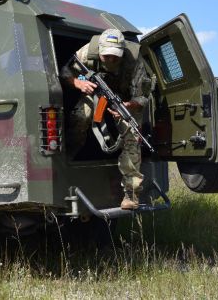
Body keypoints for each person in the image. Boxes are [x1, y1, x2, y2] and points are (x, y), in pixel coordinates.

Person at [61, 28, 151, 210]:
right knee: (80, 117)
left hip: (126, 100)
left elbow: (143, 97)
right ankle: (67, 158)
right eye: (106, 56)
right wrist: (78, 83)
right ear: (99, 50)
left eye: (115, 57)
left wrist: (128, 106)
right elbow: (65, 72)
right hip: (97, 93)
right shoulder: (87, 52)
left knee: (132, 137)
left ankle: (131, 194)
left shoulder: (135, 61)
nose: (110, 60)